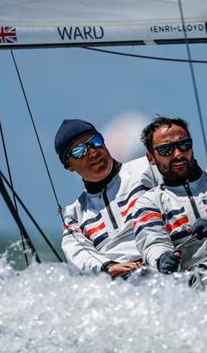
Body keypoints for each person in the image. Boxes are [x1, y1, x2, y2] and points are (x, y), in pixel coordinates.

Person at [132, 116, 207, 277]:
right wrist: (161, 258)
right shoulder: (149, 203)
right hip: (197, 282)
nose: (178, 154)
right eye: (165, 150)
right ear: (151, 158)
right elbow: (153, 243)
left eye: (184, 145)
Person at [56, 119, 159, 278]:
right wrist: (108, 267)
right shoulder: (74, 214)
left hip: (163, 265)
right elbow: (77, 251)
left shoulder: (147, 169)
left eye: (95, 141)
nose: (92, 152)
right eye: (79, 151)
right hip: (121, 284)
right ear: (69, 165)